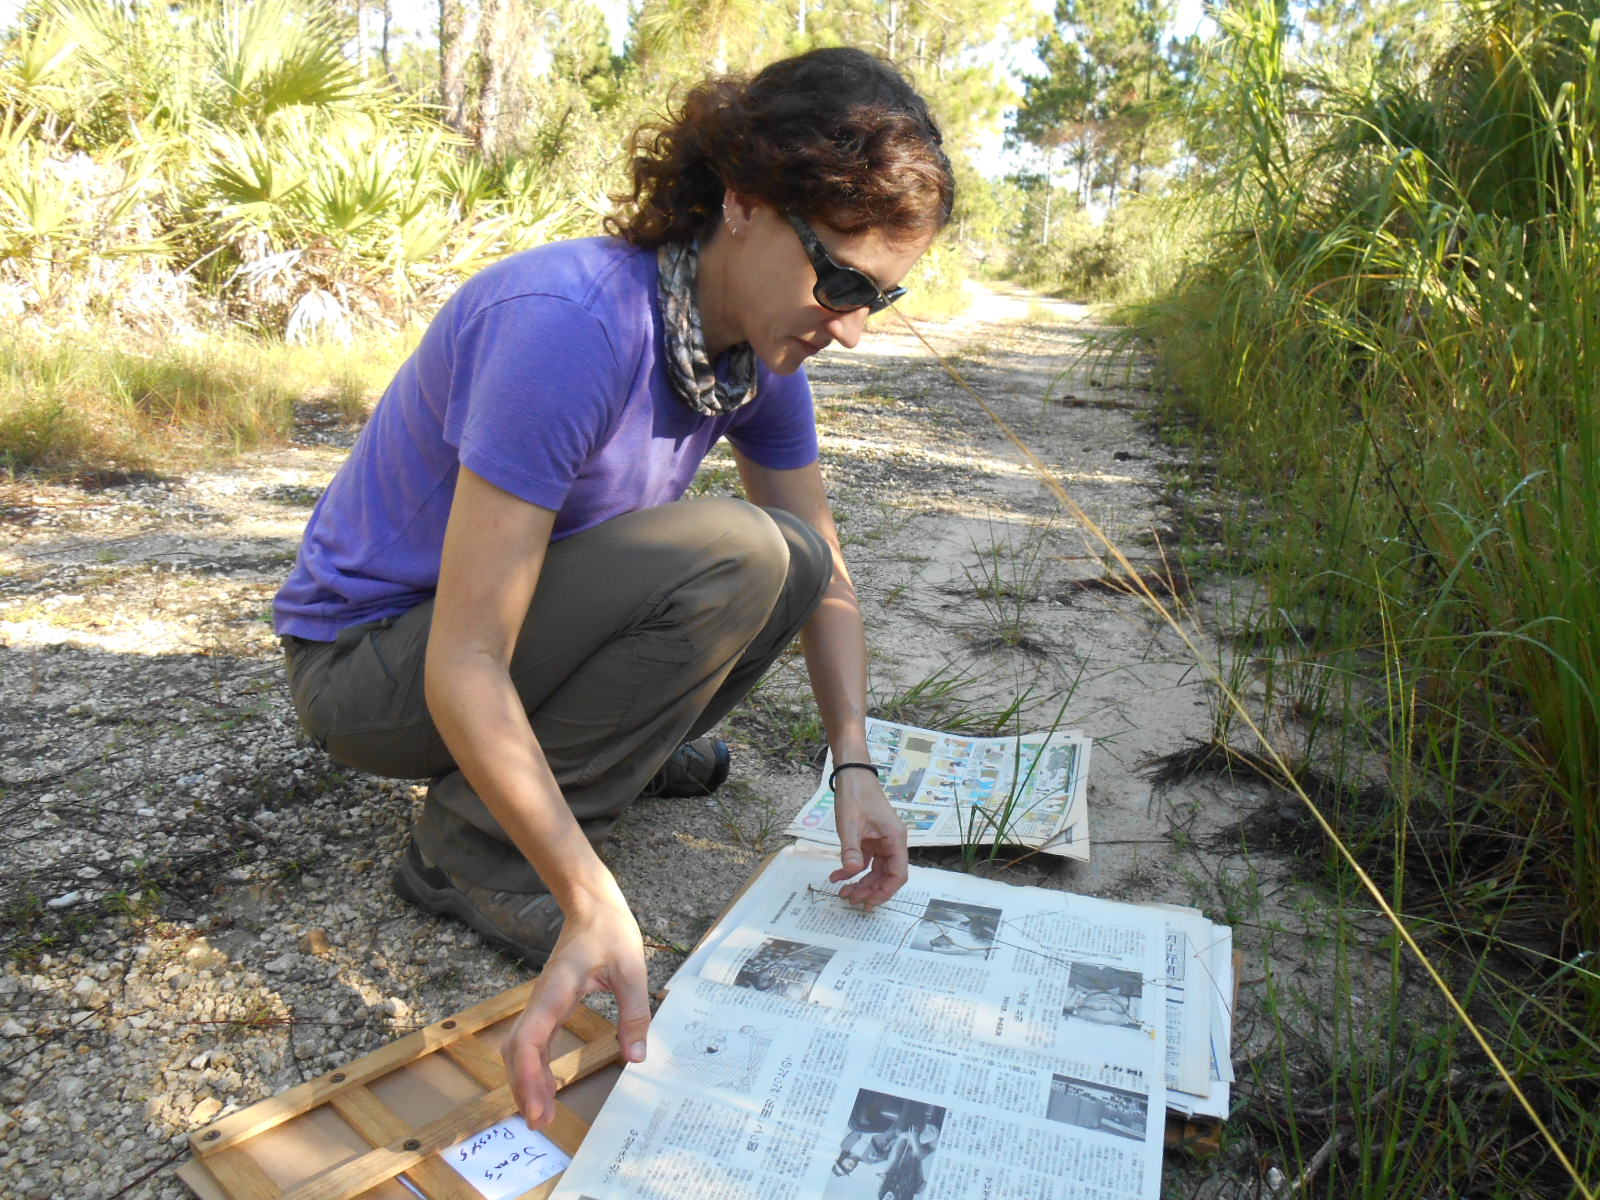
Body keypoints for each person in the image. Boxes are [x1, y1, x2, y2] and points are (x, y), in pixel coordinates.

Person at [271, 46, 955, 1127]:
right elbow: (465, 654)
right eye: (840, 281)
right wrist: (589, 896)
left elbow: (829, 574)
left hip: (483, 645)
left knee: (795, 560)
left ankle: (589, 764)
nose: (854, 326)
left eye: (882, 295)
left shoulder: (747, 350)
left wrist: (853, 764)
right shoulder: (572, 323)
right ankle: (474, 852)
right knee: (746, 549)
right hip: (374, 669)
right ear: (743, 200)